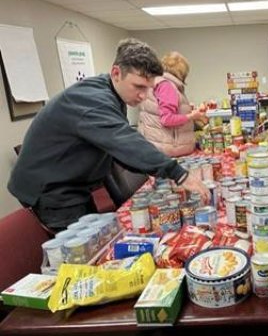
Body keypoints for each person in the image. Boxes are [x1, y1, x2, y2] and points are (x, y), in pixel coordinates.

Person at [8, 38, 209, 232]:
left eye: (148, 88)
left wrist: (153, 168)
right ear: (116, 73)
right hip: (51, 189)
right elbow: (126, 142)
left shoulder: (110, 92)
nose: (143, 95)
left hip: (74, 183)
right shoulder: (92, 100)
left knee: (98, 241)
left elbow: (118, 148)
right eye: (138, 86)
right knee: (84, 254)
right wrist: (178, 174)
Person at [138, 51, 206, 157]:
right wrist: (192, 116)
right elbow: (167, 119)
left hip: (155, 146)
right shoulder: (167, 86)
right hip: (167, 149)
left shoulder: (156, 83)